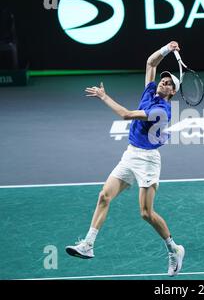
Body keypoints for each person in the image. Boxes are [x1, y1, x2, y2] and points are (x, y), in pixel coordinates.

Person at [65, 41, 185, 277]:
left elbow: (127, 115)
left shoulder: (163, 110)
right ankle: (88, 245)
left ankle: (174, 249)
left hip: (148, 160)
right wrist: (166, 49)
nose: (164, 81)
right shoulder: (150, 91)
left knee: (146, 213)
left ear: (172, 92)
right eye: (164, 79)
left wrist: (103, 96)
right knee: (104, 196)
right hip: (131, 154)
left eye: (170, 83)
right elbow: (151, 62)